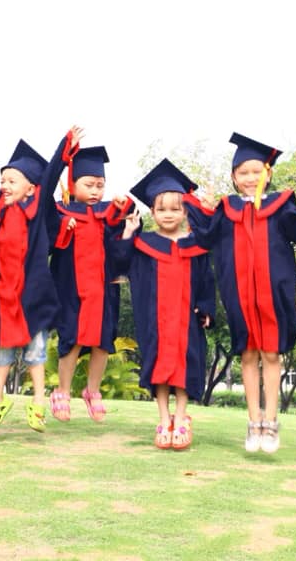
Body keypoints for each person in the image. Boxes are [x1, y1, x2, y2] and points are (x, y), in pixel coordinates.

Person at [186, 133, 296, 454]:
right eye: (243, 172)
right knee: (247, 354)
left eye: (256, 171)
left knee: (271, 353)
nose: (250, 178)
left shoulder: (281, 203)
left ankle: (271, 420)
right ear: (234, 177)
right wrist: (203, 210)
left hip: (273, 292)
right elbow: (206, 238)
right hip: (239, 293)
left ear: (268, 174)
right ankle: (253, 420)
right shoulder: (226, 208)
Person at [0, 122, 80, 432]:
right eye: (3, 180)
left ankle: (38, 402)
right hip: (2, 297)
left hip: (32, 298)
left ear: (31, 189)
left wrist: (66, 142)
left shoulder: (37, 212)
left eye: (12, 180)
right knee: (0, 353)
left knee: (35, 353)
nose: (4, 185)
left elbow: (52, 172)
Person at [112, 159, 216, 450]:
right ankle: (163, 419)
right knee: (158, 368)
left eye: (175, 209)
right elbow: (119, 263)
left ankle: (181, 418)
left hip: (187, 320)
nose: (168, 215)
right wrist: (129, 233)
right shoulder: (143, 244)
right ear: (152, 211)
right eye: (161, 209)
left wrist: (206, 308)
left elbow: (207, 279)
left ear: (185, 211)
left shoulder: (195, 244)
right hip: (154, 320)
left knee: (184, 368)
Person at [50, 146, 133, 423]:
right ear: (72, 184)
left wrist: (125, 206)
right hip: (71, 290)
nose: (96, 191)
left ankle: (92, 391)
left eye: (100, 185)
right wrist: (64, 226)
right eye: (89, 184)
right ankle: (62, 391)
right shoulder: (60, 211)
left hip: (104, 289)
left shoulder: (108, 212)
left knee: (103, 341)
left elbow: (126, 229)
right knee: (72, 339)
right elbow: (47, 237)